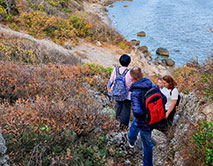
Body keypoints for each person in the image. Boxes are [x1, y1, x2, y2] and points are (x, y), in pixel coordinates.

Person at [127, 67, 167, 166]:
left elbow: (137, 112)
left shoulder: (135, 92)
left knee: (147, 144)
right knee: (136, 126)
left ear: (133, 79)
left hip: (144, 122)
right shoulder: (153, 86)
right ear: (143, 75)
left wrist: (145, 112)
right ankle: (131, 140)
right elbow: (164, 99)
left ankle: (147, 163)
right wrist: (151, 110)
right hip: (154, 118)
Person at [107, 54, 133, 129]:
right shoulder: (129, 72)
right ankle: (123, 127)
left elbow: (111, 80)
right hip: (127, 95)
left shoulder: (116, 70)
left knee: (118, 107)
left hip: (116, 93)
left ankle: (116, 123)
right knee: (126, 110)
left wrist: (109, 91)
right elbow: (129, 85)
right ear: (129, 63)